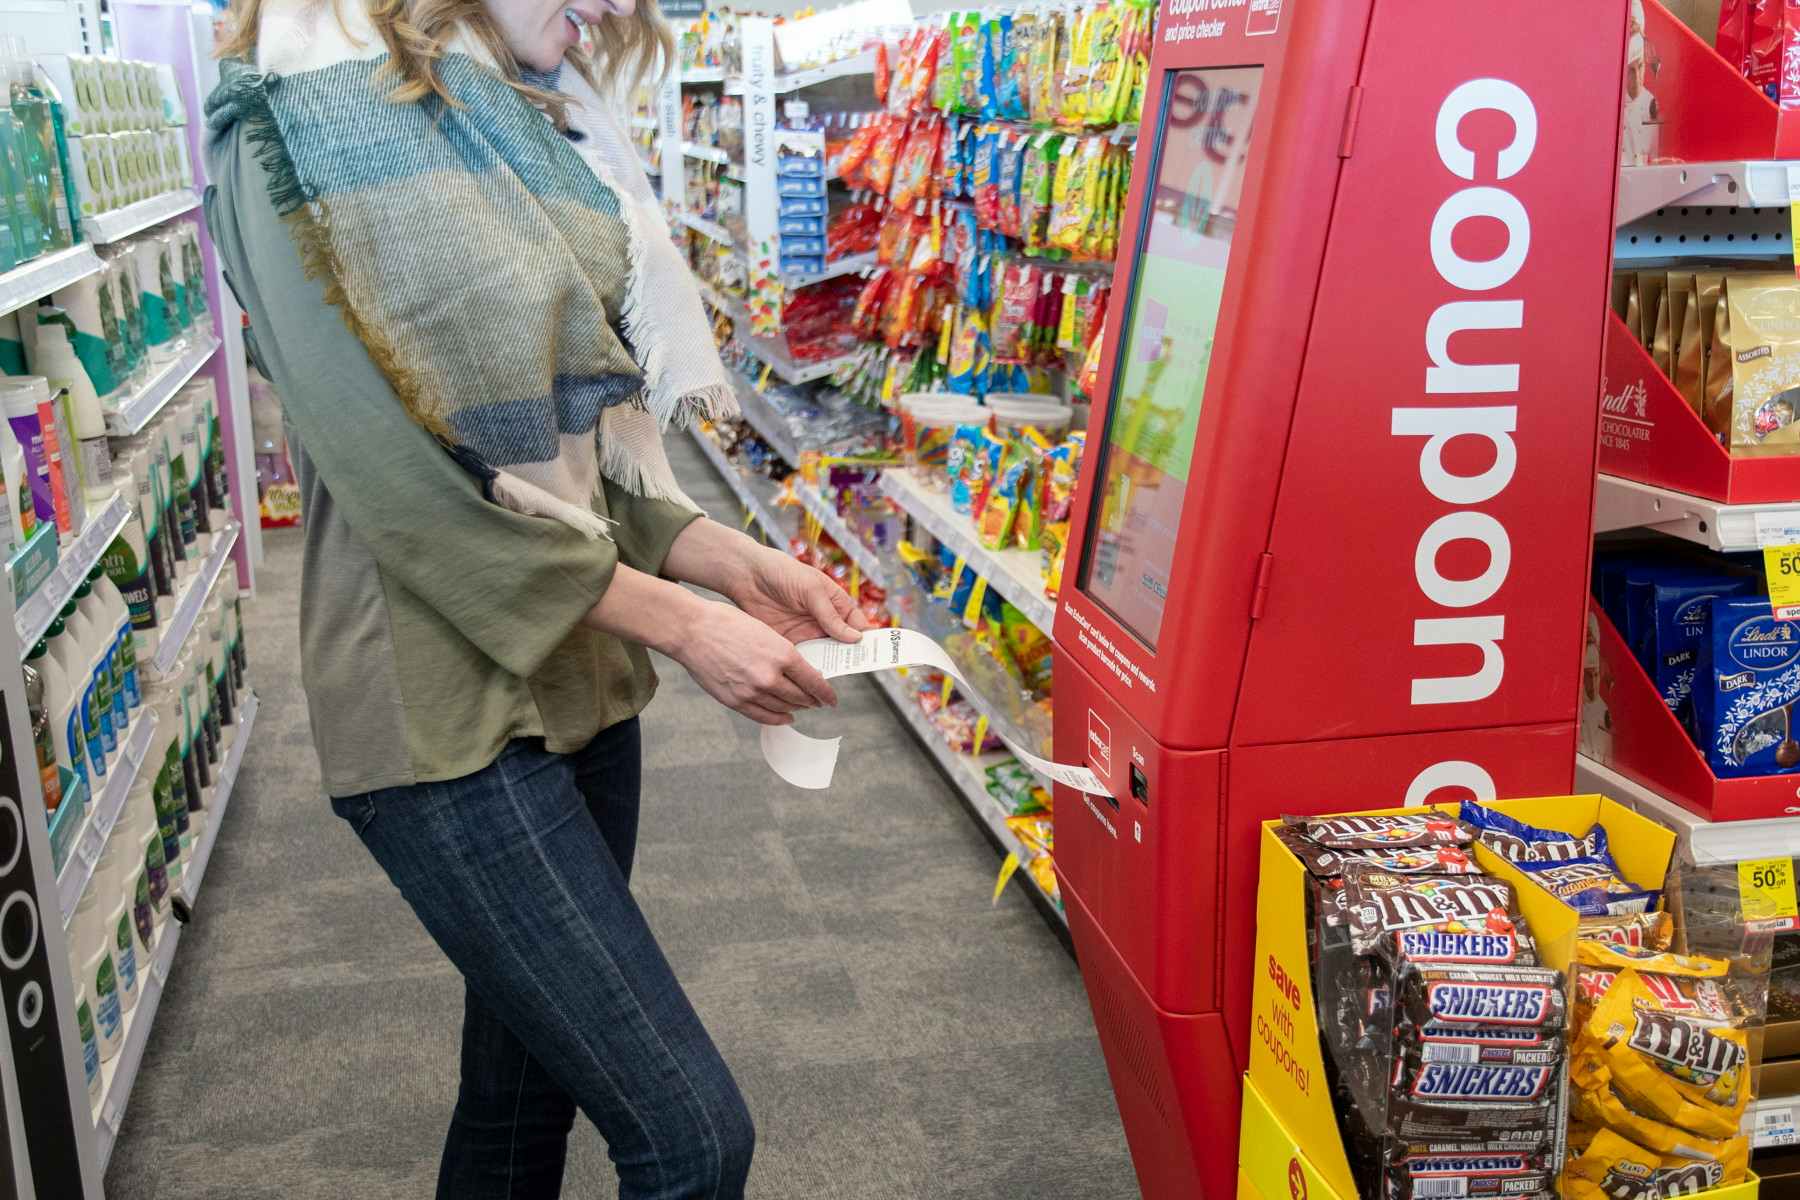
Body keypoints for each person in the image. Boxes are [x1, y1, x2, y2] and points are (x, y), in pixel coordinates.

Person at [205, 1, 868, 1195]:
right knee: (690, 1135)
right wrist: (683, 623)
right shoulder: (290, 121)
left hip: (583, 682)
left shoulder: (504, 115)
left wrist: (715, 553)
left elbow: (574, 437)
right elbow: (401, 487)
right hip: (444, 710)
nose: (622, 6)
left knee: (519, 1107)